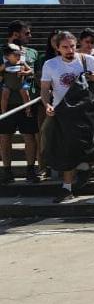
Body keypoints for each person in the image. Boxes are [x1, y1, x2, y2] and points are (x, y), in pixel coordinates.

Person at [40, 31, 94, 203]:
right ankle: (67, 187)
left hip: (86, 112)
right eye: (65, 47)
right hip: (62, 112)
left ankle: (89, 171)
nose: (70, 50)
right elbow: (44, 89)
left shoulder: (87, 59)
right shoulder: (50, 64)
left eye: (72, 46)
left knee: (90, 147)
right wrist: (47, 105)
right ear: (57, 48)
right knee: (66, 149)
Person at [0, 23, 40, 184]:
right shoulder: (1, 51)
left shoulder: (33, 52)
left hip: (26, 103)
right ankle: (7, 171)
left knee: (29, 136)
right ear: (16, 34)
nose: (30, 36)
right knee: (4, 137)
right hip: (5, 101)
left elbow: (36, 74)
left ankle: (31, 170)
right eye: (27, 33)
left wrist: (28, 73)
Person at [1, 44, 34, 117]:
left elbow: (31, 71)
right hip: (8, 84)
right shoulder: (6, 64)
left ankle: (28, 110)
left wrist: (25, 72)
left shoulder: (22, 63)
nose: (18, 57)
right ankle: (3, 111)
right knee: (4, 96)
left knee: (26, 95)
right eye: (15, 55)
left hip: (20, 83)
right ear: (7, 57)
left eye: (19, 55)